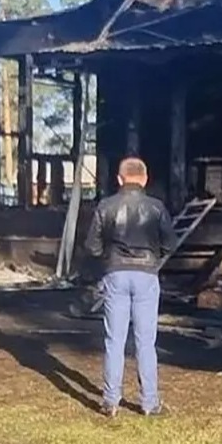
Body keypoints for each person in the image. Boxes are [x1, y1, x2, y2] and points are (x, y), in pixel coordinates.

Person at [83, 156, 177, 417]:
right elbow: (171, 243)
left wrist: (108, 258)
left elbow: (92, 245)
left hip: (116, 272)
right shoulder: (156, 207)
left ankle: (111, 401)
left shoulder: (106, 205)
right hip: (146, 273)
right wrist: (155, 257)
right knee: (146, 341)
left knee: (114, 339)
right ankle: (149, 402)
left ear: (119, 179)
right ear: (145, 179)